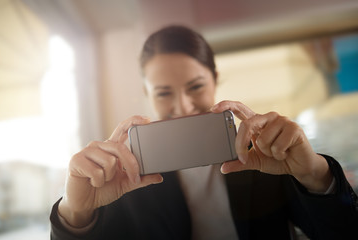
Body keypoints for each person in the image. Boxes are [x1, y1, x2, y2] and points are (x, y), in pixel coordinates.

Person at [50, 25, 358, 240]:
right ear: (147, 94)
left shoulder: (263, 152)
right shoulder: (126, 174)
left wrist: (316, 176)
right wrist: (75, 213)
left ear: (215, 79)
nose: (183, 106)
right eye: (163, 93)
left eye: (195, 86)